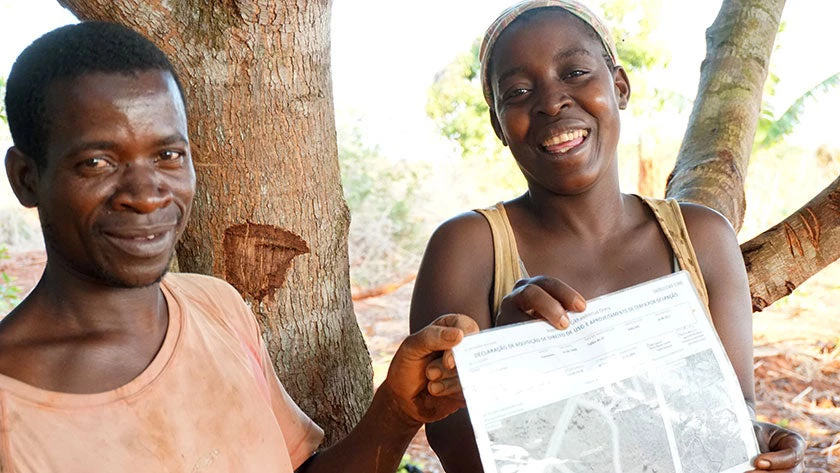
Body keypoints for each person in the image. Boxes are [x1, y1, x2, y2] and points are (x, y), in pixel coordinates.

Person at [0, 21, 477, 473]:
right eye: (98, 162)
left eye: (168, 155)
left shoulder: (217, 308)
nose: (146, 195)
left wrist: (397, 408)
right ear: (26, 178)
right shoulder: (12, 405)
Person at [409, 1, 806, 472]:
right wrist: (513, 361)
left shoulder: (700, 239)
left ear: (619, 87)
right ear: (498, 125)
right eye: (517, 90)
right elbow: (457, 451)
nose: (552, 101)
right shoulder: (470, 249)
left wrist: (768, 443)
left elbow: (733, 412)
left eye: (575, 72)